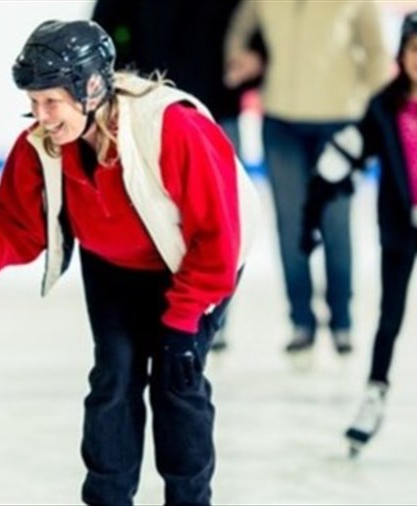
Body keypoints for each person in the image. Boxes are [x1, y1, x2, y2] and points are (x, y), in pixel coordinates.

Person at [0, 20, 259, 505]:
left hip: (193, 266)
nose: (41, 116)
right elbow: (15, 224)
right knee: (114, 379)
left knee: (177, 387)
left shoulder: (174, 128)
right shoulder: (42, 145)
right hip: (114, 268)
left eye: (50, 101)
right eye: (33, 103)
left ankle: (189, 498)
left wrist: (183, 323)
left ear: (91, 87)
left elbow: (218, 238)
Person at [300, 9, 417, 459]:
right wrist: (317, 197)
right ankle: (374, 393)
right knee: (390, 318)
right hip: (400, 230)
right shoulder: (384, 106)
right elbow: (354, 146)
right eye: (412, 48)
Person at [91, 0, 266, 352]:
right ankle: (157, 312)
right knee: (144, 215)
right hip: (143, 113)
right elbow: (104, 30)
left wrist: (254, 61)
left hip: (215, 106)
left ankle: (211, 314)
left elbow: (257, 25)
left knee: (219, 218)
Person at [224, 0, 388, 357]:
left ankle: (342, 321)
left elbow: (376, 52)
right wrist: (239, 55)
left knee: (335, 223)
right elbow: (240, 26)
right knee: (290, 225)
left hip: (339, 122)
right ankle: (301, 321)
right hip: (281, 123)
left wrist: (373, 113)